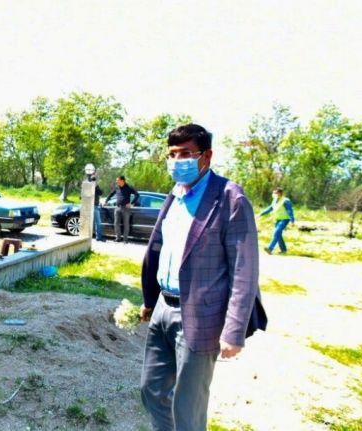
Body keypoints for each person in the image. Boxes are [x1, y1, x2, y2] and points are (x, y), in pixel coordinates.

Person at [139, 124, 262, 431]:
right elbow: (160, 248)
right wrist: (150, 300)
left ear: (206, 156)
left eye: (185, 154)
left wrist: (234, 330)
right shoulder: (175, 195)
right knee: (151, 389)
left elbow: (244, 270)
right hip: (163, 308)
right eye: (171, 154)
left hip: (200, 315)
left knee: (188, 406)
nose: (176, 161)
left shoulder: (229, 198)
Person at [103, 175, 140, 243]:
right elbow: (110, 194)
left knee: (126, 224)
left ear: (122, 181)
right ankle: (118, 238)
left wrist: (131, 203)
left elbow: (137, 195)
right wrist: (106, 201)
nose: (116, 182)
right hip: (117, 207)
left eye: (118, 180)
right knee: (116, 223)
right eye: (116, 181)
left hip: (126, 208)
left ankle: (125, 239)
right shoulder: (116, 187)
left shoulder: (129, 187)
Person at [259, 187, 295, 254]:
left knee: (276, 232)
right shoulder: (275, 200)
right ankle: (284, 250)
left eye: (275, 193)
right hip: (278, 220)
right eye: (274, 193)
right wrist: (261, 214)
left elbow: (290, 211)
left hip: (284, 219)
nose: (274, 194)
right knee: (279, 235)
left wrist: (292, 220)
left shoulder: (286, 201)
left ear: (279, 193)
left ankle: (270, 248)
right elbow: (270, 208)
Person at [89, 175, 104, 241]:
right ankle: (97, 237)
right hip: (92, 206)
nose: (93, 181)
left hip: (95, 206)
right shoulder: (89, 187)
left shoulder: (96, 187)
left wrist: (96, 186)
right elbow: (82, 196)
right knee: (97, 222)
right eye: (93, 180)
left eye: (94, 180)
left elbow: (100, 193)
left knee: (97, 222)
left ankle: (98, 237)